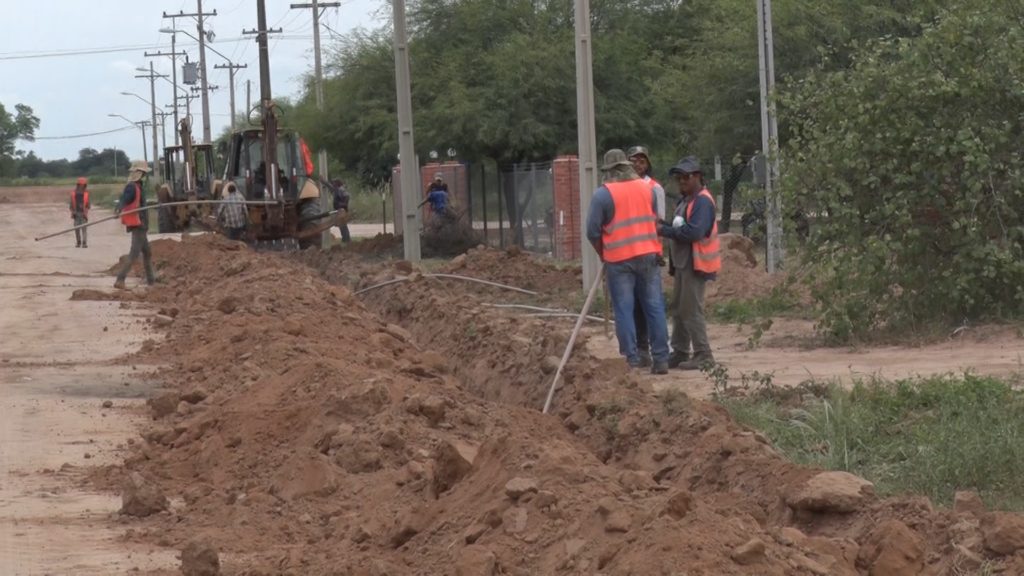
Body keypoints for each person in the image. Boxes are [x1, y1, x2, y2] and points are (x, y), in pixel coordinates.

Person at [586, 149, 670, 374]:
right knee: (654, 307)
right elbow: (653, 220)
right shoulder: (648, 189)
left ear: (609, 171)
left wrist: (603, 252)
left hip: (619, 259)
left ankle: (631, 360)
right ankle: (661, 358)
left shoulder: (603, 195)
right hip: (648, 255)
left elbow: (592, 231)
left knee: (624, 309)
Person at [658, 156, 720, 369]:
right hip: (684, 263)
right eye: (679, 177)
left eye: (686, 176)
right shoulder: (686, 200)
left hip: (696, 263)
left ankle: (704, 354)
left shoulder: (702, 201)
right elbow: (682, 227)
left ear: (698, 177)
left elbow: (695, 231)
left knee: (691, 309)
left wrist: (665, 230)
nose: (682, 181)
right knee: (679, 308)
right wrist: (664, 226)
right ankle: (681, 351)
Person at [627, 146, 667, 366]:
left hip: (648, 253)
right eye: (634, 160)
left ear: (647, 164)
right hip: (629, 253)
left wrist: (658, 250)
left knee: (651, 304)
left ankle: (657, 352)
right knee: (635, 305)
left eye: (641, 161)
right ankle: (642, 349)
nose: (637, 165)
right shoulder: (622, 187)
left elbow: (658, 222)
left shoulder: (655, 188)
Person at [113, 161, 156, 289]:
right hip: (138, 224)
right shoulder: (132, 187)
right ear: (139, 173)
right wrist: (118, 208)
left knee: (147, 253)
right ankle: (120, 279)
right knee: (134, 254)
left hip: (141, 224)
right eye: (143, 173)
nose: (144, 175)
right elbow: (124, 199)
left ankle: (151, 281)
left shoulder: (138, 186)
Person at [69, 177, 91, 248]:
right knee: (76, 229)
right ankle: (78, 242)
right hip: (76, 213)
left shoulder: (86, 193)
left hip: (83, 214)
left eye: (84, 185)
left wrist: (86, 211)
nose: (83, 186)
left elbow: (88, 205)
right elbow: (71, 205)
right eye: (82, 184)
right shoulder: (73, 194)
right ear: (78, 185)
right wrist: (73, 212)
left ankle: (84, 243)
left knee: (84, 228)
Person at [331, 178, 351, 243]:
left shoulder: (341, 189)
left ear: (337, 184)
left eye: (334, 183)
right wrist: (323, 181)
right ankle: (345, 238)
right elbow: (330, 187)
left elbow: (347, 196)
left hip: (342, 210)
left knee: (343, 225)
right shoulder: (337, 189)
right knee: (342, 225)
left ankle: (346, 239)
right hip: (339, 210)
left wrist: (343, 204)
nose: (333, 184)